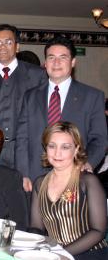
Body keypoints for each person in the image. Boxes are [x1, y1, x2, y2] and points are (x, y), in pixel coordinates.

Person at [16, 36, 107, 192]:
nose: (56, 63)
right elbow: (22, 139)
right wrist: (23, 174)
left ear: (73, 62)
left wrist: (87, 163)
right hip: (35, 178)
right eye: (51, 57)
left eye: (62, 57)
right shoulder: (30, 96)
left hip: (74, 176)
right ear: (45, 63)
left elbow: (99, 139)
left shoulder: (92, 96)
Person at [29, 122, 108, 260]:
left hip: (90, 254)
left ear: (76, 149)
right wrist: (37, 247)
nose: (57, 153)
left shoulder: (88, 181)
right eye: (52, 146)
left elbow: (98, 231)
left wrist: (61, 252)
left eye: (65, 147)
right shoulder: (39, 183)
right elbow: (36, 226)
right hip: (54, 255)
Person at [0, 24, 47, 168]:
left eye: (8, 42)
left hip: (26, 150)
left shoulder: (37, 75)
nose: (2, 47)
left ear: (17, 47)